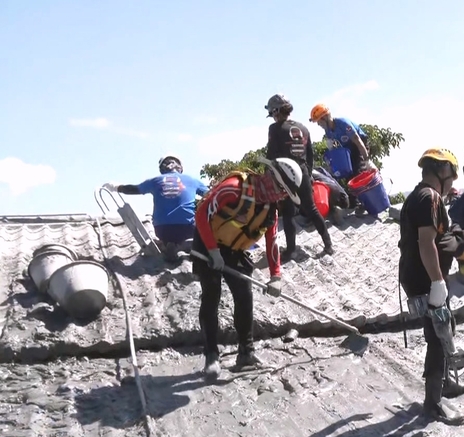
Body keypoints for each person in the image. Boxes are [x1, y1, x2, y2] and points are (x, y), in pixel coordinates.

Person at [192, 157, 302, 380]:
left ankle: (246, 354)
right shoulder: (233, 189)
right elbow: (202, 214)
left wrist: (276, 276)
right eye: (281, 189)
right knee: (211, 295)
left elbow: (272, 243)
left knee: (244, 296)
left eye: (285, 193)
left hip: (234, 249)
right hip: (207, 244)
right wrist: (213, 251)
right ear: (270, 177)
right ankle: (211, 355)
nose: (282, 196)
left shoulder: (271, 210)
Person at [398, 147, 464, 425]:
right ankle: (433, 403)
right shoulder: (429, 197)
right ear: (442, 171)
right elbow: (426, 243)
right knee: (438, 336)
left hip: (419, 276)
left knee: (444, 328)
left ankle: (444, 383)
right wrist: (437, 282)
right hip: (426, 279)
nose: (452, 183)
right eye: (451, 177)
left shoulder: (417, 196)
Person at [264, 94, 334, 260]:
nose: (272, 116)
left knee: (288, 212)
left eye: (272, 113)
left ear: (276, 111)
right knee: (312, 209)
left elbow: (271, 154)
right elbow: (310, 156)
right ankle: (328, 245)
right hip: (302, 172)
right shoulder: (303, 128)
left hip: (286, 174)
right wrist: (307, 175)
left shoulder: (274, 129)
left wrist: (268, 175)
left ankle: (290, 250)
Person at [102, 154, 208, 254]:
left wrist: (115, 187)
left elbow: (132, 189)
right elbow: (211, 194)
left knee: (165, 237)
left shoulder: (155, 181)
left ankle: (168, 245)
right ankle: (184, 246)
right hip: (187, 228)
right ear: (180, 167)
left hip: (162, 229)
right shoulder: (192, 180)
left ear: (162, 169)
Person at [309, 104, 372, 215]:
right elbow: (335, 148)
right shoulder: (328, 131)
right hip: (347, 149)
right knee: (348, 173)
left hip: (359, 145)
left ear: (325, 118)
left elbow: (357, 140)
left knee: (358, 171)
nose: (319, 124)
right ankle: (354, 203)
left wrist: (366, 160)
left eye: (319, 121)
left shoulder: (343, 123)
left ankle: (366, 202)